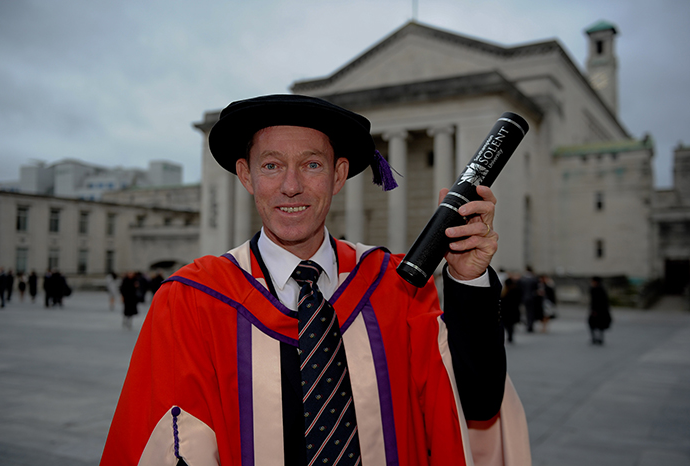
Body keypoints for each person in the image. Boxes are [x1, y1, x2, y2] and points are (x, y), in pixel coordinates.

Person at [101, 95, 530, 465]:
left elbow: (474, 404)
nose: (291, 186)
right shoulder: (193, 300)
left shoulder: (393, 288)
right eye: (271, 166)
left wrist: (467, 281)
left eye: (311, 164)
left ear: (339, 175)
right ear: (246, 176)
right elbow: (167, 445)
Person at [588, 276, 612, 345]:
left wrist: (595, 310)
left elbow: (598, 302)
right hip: (599, 311)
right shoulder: (598, 289)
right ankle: (597, 338)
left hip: (598, 311)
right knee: (596, 325)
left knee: (596, 324)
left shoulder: (598, 289)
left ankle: (597, 338)